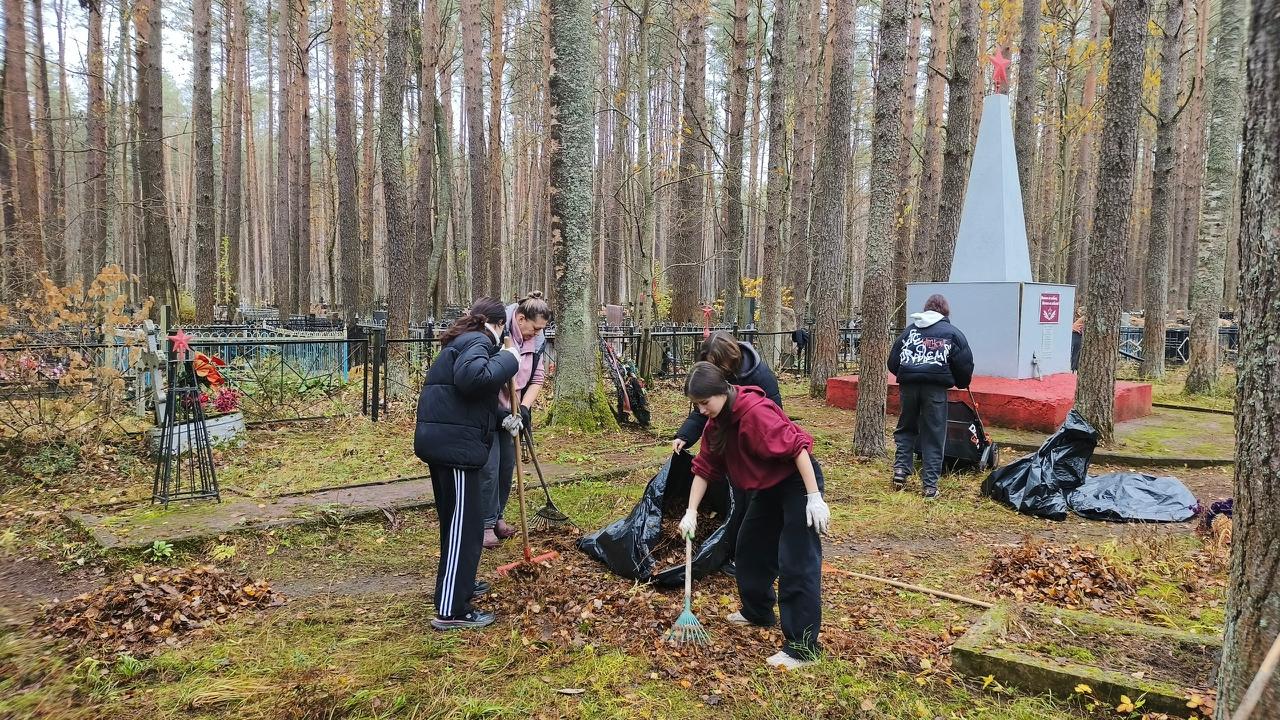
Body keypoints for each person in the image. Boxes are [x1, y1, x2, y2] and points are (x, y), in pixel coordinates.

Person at [677, 362, 830, 670]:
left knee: (796, 560)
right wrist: (690, 512)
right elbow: (705, 468)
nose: (701, 410)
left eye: (704, 403)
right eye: (696, 405)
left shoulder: (755, 413)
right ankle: (757, 611)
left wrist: (814, 498)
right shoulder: (716, 423)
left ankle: (802, 648)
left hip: (797, 482)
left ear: (722, 391)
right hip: (767, 485)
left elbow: (797, 449)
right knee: (750, 548)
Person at [414, 298, 520, 630]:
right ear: (498, 325)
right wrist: (508, 359)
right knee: (466, 528)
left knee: (459, 525)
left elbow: (467, 400)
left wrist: (509, 417)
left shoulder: (464, 341)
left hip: (447, 442)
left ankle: (459, 587)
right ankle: (452, 610)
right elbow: (473, 379)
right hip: (455, 449)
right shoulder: (478, 341)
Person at [671, 332, 783, 575]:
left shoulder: (760, 378)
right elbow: (704, 411)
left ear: (731, 360)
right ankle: (733, 552)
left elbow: (779, 424)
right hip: (729, 451)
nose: (715, 370)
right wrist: (685, 435)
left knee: (752, 506)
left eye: (718, 365)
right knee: (734, 501)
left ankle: (750, 556)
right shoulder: (711, 388)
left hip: (756, 454)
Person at [479, 291, 551, 548]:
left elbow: (537, 378)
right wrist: (501, 410)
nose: (537, 333)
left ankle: (497, 517)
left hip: (513, 413)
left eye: (542, 329)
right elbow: (483, 376)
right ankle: (484, 524)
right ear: (520, 319)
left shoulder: (537, 341)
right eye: (534, 328)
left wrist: (524, 407)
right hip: (489, 411)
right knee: (489, 467)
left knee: (506, 466)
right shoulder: (499, 337)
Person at [887, 294, 974, 499]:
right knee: (934, 434)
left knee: (906, 428)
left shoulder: (910, 331)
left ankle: (900, 470)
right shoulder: (952, 333)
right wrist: (960, 382)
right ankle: (930, 486)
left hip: (908, 387)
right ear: (945, 312)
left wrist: (907, 372)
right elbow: (964, 364)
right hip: (935, 390)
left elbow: (893, 361)